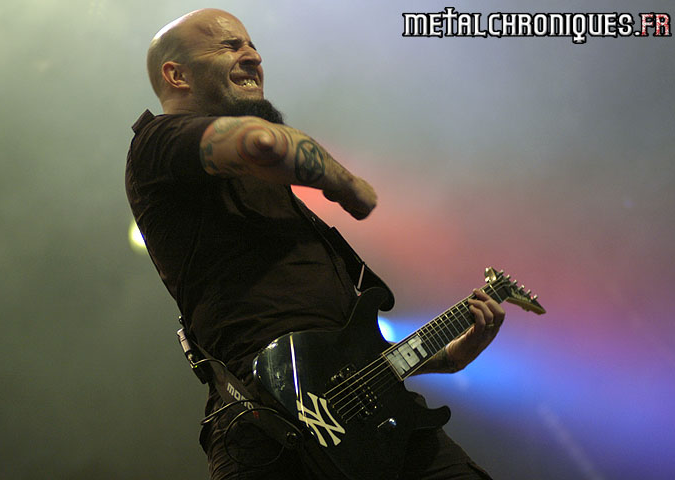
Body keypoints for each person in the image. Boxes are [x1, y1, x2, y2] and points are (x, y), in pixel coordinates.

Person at [126, 8, 504, 480]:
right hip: (270, 434)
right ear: (176, 75)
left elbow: (339, 354)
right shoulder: (158, 143)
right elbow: (265, 142)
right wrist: (346, 185)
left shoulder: (267, 192)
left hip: (376, 426)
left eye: (252, 45)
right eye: (230, 46)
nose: (253, 56)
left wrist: (447, 358)